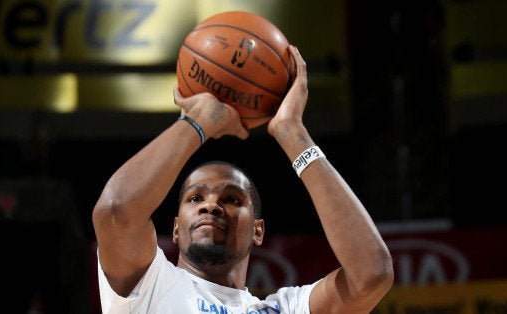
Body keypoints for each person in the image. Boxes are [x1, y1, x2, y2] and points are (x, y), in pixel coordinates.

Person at [92, 45, 394, 313]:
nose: (210, 206)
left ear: (258, 231)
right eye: (195, 198)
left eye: (232, 199)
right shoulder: (151, 284)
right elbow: (115, 212)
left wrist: (293, 133)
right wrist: (197, 122)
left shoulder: (287, 309)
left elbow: (372, 274)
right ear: (174, 228)